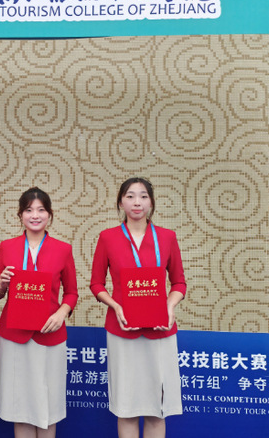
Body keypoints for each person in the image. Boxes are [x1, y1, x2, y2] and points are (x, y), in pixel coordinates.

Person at [89, 177, 187, 438]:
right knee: (127, 408)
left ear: (151, 202)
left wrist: (170, 305)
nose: (137, 202)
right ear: (121, 202)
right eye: (130, 196)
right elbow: (96, 284)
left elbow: (179, 282)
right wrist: (115, 305)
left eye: (143, 196)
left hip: (160, 331)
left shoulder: (167, 237)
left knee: (157, 409)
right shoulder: (108, 238)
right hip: (122, 330)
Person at [0, 187, 78, 438]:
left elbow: (72, 292)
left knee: (48, 404)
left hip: (50, 334)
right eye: (29, 210)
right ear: (20, 215)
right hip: (14, 336)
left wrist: (61, 313)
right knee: (21, 406)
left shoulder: (63, 249)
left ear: (49, 214)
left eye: (41, 210)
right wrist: (2, 284)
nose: (35, 215)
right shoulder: (8, 247)